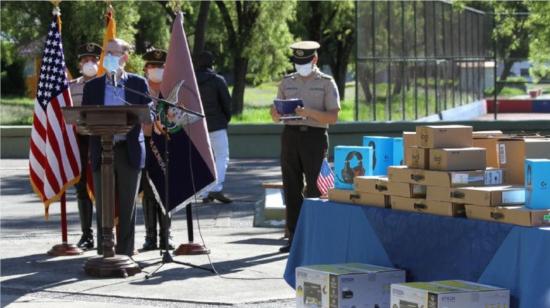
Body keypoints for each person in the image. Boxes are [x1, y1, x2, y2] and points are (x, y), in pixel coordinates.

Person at [82, 38, 151, 257]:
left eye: (114, 52)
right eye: (106, 52)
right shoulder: (92, 86)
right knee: (104, 205)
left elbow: (148, 113)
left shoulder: (138, 84)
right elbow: (83, 118)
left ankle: (125, 252)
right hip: (102, 150)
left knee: (127, 205)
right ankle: (105, 251)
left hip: (128, 149)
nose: (109, 57)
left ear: (125, 57)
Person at [270, 41, 340, 253]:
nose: (301, 65)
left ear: (315, 60)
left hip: (315, 137)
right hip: (290, 136)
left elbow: (333, 116)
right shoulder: (287, 81)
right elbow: (275, 112)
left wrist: (308, 112)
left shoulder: (326, 82)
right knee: (291, 186)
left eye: (305, 61)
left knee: (315, 188)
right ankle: (295, 237)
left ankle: (317, 237)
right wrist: (275, 114)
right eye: (297, 62)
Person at [140, 48, 174, 251]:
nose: (157, 69)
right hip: (145, 144)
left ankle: (166, 236)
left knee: (166, 190)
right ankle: (150, 237)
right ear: (145, 68)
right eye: (153, 66)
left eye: (161, 66)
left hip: (167, 145)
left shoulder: (172, 90)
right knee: (148, 191)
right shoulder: (139, 89)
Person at [69, 42, 102, 250]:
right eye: (85, 60)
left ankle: (107, 234)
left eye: (93, 60)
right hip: (79, 142)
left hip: (101, 141)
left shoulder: (108, 84)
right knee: (82, 188)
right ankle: (86, 235)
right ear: (80, 64)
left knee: (105, 189)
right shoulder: (71, 87)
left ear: (99, 62)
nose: (89, 63)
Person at [195, 51, 233, 204]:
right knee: (221, 157)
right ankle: (216, 189)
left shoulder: (190, 81)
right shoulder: (218, 80)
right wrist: (224, 120)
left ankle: (204, 192)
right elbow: (226, 104)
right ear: (211, 63)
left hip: (197, 126)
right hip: (217, 125)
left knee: (203, 159)